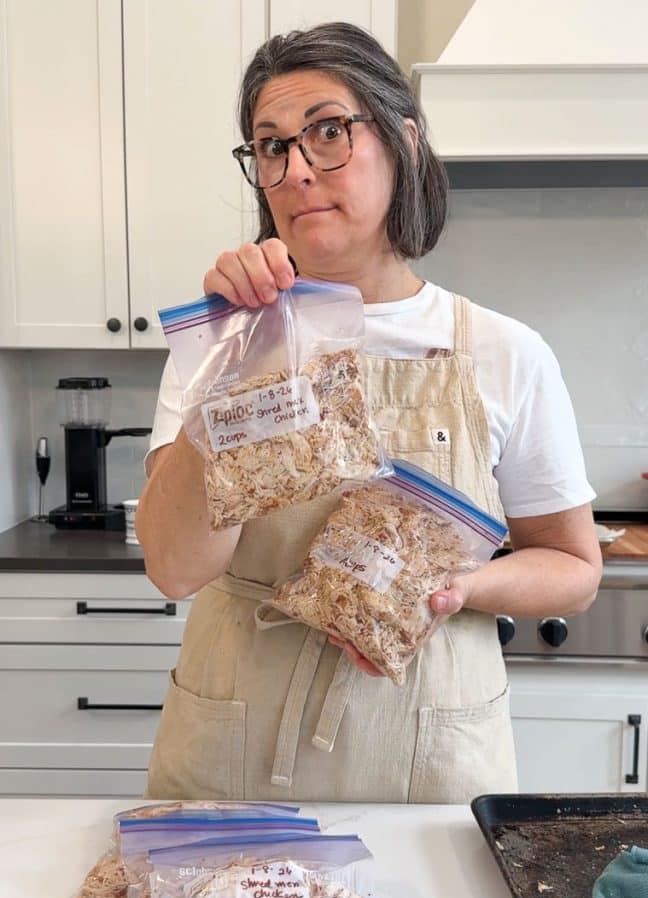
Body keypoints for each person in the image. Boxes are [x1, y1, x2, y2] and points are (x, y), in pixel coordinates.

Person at [136, 21, 602, 804]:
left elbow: (575, 569)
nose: (296, 170)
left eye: (327, 131)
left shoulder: (503, 351)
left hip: (427, 752)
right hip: (235, 757)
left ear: (403, 142)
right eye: (272, 145)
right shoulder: (224, 342)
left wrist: (458, 587)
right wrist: (235, 367)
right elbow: (175, 567)